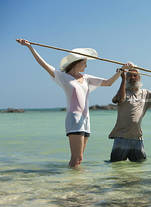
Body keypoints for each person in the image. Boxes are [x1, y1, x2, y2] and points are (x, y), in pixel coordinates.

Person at [16, 39, 132, 168]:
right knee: (76, 158)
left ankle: (75, 184)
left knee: (80, 158)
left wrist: (121, 70)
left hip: (86, 119)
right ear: (77, 63)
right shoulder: (62, 76)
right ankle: (72, 185)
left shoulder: (86, 78)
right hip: (74, 119)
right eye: (85, 63)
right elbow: (43, 64)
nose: (86, 66)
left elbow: (108, 83)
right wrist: (30, 47)